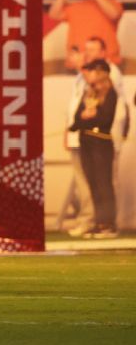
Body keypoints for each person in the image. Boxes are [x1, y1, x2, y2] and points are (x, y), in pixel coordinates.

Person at [68, 59, 125, 238]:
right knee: (92, 183)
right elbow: (76, 120)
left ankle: (108, 223)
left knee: (103, 184)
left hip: (101, 144)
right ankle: (99, 221)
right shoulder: (87, 94)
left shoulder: (111, 94)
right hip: (86, 143)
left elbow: (104, 120)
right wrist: (84, 117)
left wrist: (87, 119)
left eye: (92, 71)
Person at [49, 0, 123, 65]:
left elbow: (114, 14)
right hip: (77, 62)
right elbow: (53, 14)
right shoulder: (75, 5)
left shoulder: (114, 3)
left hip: (106, 62)